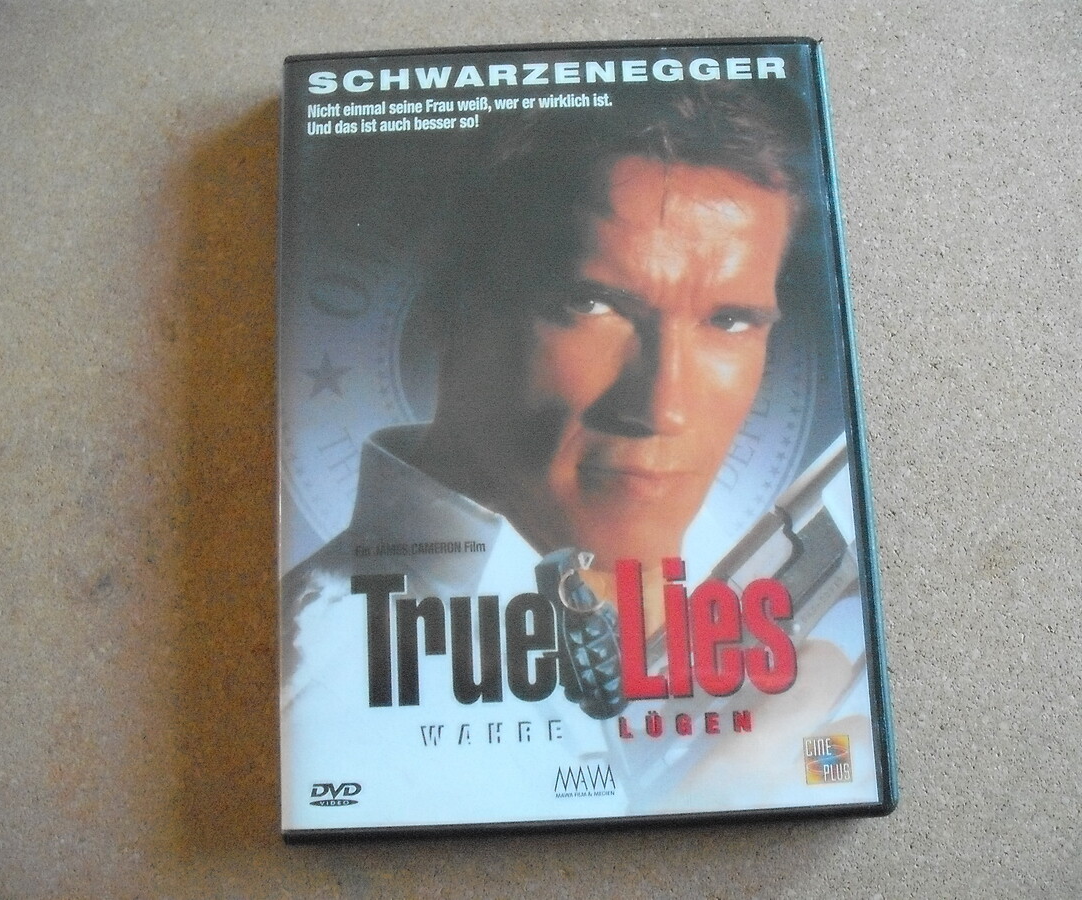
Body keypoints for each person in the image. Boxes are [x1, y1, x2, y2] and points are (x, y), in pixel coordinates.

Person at [281, 79, 877, 828]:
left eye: (729, 321)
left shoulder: (669, 603)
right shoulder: (334, 711)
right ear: (445, 309)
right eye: (590, 304)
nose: (663, 407)